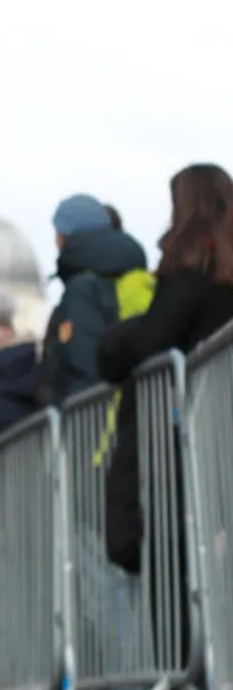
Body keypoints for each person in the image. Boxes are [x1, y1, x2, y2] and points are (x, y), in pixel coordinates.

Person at [97, 164, 233, 574]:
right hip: (217, 434)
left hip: (178, 444)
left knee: (174, 574)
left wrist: (116, 340)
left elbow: (147, 342)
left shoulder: (192, 268)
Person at [39, 194, 152, 407]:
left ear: (63, 236)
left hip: (95, 424)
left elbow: (82, 363)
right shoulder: (131, 276)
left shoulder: (81, 290)